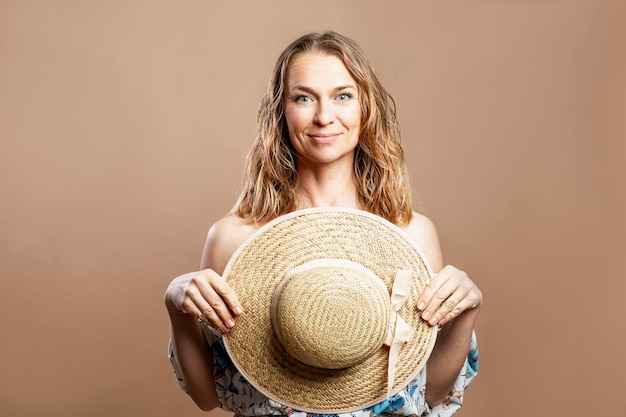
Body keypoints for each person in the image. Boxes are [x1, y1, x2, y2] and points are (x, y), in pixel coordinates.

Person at [164, 31, 482, 416]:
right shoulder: (236, 239)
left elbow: (430, 391)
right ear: (280, 111)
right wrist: (177, 309)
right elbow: (208, 395)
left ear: (366, 108)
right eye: (303, 97)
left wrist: (466, 312)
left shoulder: (410, 234)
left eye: (342, 96)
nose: (324, 116)